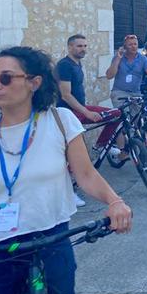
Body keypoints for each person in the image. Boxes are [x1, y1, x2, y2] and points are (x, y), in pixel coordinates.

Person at [0, 46, 132, 294]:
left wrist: (115, 202)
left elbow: (86, 174)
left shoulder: (60, 121)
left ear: (34, 82)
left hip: (49, 240)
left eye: (6, 78)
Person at [55, 34, 107, 207]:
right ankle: (70, 192)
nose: (83, 49)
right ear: (70, 47)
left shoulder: (77, 63)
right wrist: (86, 112)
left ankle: (101, 145)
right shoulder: (64, 65)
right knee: (75, 154)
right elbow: (65, 94)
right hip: (68, 113)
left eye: (85, 46)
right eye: (79, 46)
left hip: (80, 108)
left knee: (115, 114)